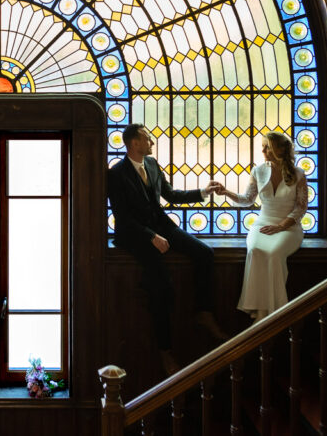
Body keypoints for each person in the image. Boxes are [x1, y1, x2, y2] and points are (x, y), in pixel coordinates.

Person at [107, 123, 230, 375]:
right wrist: (151, 236)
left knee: (204, 253)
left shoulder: (152, 165)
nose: (151, 141)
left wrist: (202, 192)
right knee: (162, 287)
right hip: (134, 236)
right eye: (147, 137)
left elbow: (171, 195)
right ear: (133, 143)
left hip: (162, 226)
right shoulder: (116, 174)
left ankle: (204, 313)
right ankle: (165, 352)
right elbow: (122, 217)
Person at [220, 132, 307, 323]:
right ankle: (260, 313)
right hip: (262, 223)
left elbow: (301, 208)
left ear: (281, 149)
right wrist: (226, 192)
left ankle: (275, 314)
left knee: (275, 253)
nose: (263, 150)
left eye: (267, 146)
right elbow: (247, 200)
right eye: (263, 146)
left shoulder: (299, 174)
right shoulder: (258, 171)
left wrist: (281, 225)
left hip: (289, 228)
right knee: (256, 250)